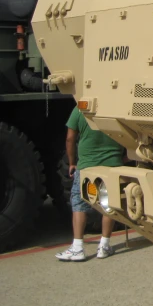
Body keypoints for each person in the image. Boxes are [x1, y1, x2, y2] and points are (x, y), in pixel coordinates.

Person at [55, 106, 125, 261]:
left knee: (80, 202)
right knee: (108, 204)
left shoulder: (80, 108)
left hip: (87, 165)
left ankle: (78, 247)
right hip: (112, 164)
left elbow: (70, 138)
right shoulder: (114, 106)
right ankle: (104, 246)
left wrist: (72, 162)